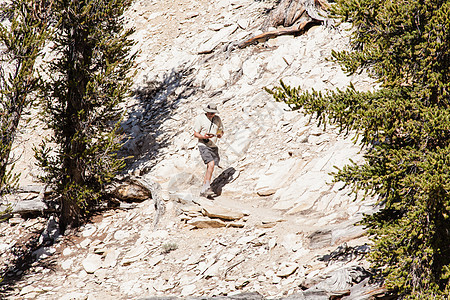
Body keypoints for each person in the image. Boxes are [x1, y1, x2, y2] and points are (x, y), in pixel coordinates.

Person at [193, 103, 224, 197]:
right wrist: (203, 136)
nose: (211, 115)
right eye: (210, 113)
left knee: (211, 166)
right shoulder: (200, 119)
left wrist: (219, 135)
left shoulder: (217, 119)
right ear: (206, 111)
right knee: (211, 164)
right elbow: (195, 133)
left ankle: (204, 189)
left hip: (213, 145)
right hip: (203, 144)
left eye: (213, 113)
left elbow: (221, 131)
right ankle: (207, 187)